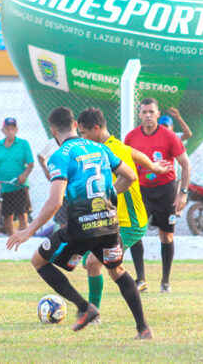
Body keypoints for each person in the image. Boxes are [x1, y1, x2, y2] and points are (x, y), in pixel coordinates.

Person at [6, 106, 152, 339]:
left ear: (53, 131)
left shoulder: (59, 157)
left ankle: (85, 307)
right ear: (75, 125)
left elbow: (55, 201)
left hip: (81, 227)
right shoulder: (100, 148)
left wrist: (28, 231)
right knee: (117, 271)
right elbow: (131, 176)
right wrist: (110, 196)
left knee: (39, 261)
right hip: (109, 223)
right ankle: (143, 329)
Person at [77, 107, 170, 321]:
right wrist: (153, 167)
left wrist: (103, 196)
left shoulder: (114, 150)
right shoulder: (111, 146)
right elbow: (134, 153)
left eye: (84, 133)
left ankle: (93, 315)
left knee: (93, 263)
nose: (82, 138)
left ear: (96, 129)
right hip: (113, 221)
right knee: (95, 264)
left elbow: (129, 180)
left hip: (129, 223)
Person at [125, 98, 192, 293]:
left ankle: (165, 282)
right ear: (140, 114)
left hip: (166, 190)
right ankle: (141, 280)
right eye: (144, 112)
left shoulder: (169, 136)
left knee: (167, 237)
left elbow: (185, 164)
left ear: (157, 113)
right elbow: (124, 163)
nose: (147, 115)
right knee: (136, 231)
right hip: (141, 191)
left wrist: (183, 193)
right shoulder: (131, 137)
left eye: (151, 112)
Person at [37, 138, 68, 228]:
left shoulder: (78, 142)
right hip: (62, 193)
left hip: (76, 192)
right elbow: (40, 156)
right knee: (63, 224)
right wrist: (47, 172)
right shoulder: (52, 143)